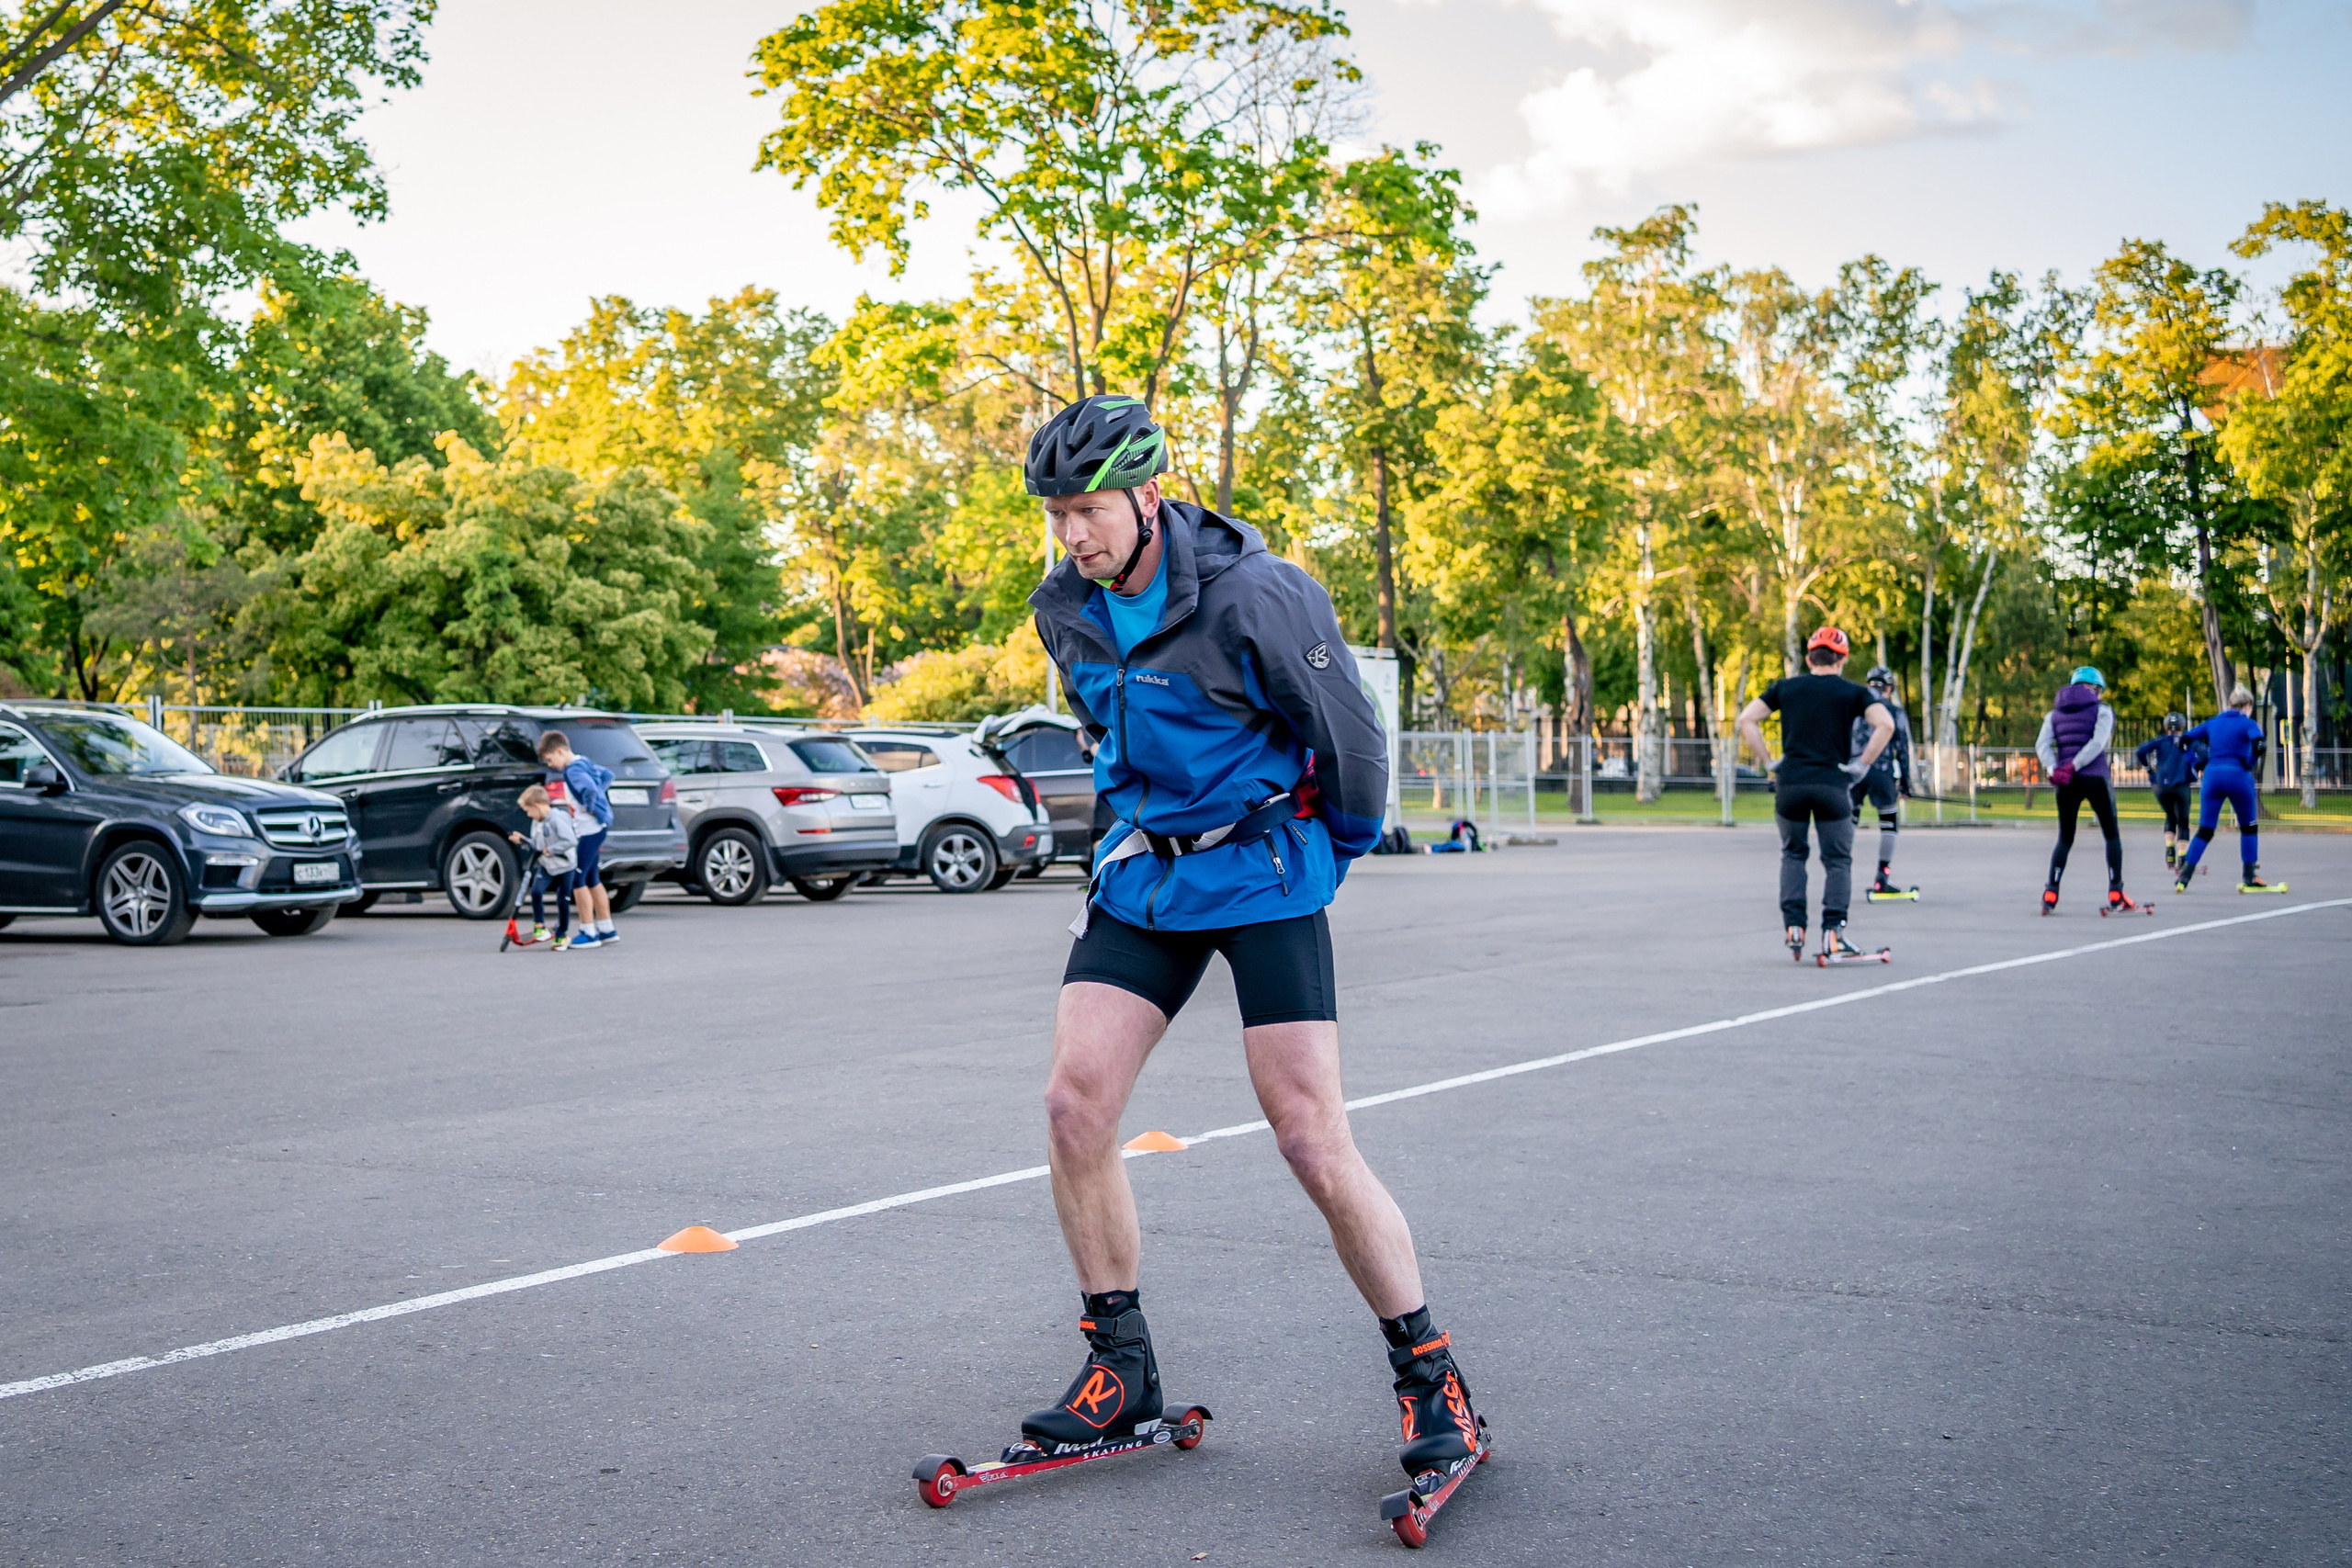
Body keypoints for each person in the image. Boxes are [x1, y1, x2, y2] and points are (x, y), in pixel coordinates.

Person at [1021, 395, 1481, 1484]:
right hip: (1147, 877)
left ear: (1147, 496)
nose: (1072, 535)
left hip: (1266, 871)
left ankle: (1434, 1380)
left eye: (1087, 510)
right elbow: (1107, 729)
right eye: (1056, 515)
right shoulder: (1064, 607)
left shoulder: (1259, 595)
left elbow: (1351, 736)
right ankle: (1118, 1367)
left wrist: (1341, 847)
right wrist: (1118, 835)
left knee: (1309, 1137)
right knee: (1071, 1105)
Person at [1736, 626, 1895, 960]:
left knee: (1793, 853)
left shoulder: (1786, 688)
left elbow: (1747, 719)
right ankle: (1833, 933)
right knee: (1837, 859)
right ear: (1842, 659)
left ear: (1809, 657)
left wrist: (1769, 762)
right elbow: (1886, 724)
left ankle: (1794, 927)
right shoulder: (1852, 693)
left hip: (1790, 785)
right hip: (1832, 785)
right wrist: (1862, 764)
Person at [2034, 667, 2139, 913]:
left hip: (2066, 782)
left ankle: (2051, 892)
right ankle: (2116, 891)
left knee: (2065, 837)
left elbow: (2042, 744)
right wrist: (2076, 765)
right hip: (2094, 777)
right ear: (2095, 688)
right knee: (2111, 835)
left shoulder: (2053, 714)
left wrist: (2054, 768)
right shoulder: (2102, 711)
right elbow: (2098, 743)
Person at [2177, 685, 2277, 892]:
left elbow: (2185, 740)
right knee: (2248, 826)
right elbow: (2259, 746)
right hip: (2238, 775)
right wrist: (2249, 762)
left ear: (2229, 704)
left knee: (2206, 829)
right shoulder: (2248, 723)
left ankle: (2185, 875)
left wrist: (2197, 763)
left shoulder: (2213, 722)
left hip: (2212, 776)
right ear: (2248, 706)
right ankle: (2249, 875)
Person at [536, 730, 616, 947]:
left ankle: (588, 932)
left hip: (589, 829)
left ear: (560, 751)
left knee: (577, 880)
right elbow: (607, 776)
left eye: (551, 760)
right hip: (598, 828)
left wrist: (590, 807)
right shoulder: (584, 762)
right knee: (592, 878)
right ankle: (607, 928)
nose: (551, 765)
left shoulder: (572, 770)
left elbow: (589, 788)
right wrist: (599, 801)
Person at [1850, 666, 1916, 898]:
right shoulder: (1894, 712)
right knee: (1889, 822)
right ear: (1889, 688)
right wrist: (1906, 784)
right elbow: (1903, 750)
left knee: (1848, 822)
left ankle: (1840, 874)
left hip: (1853, 770)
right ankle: (1882, 876)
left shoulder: (1854, 710)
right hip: (1882, 770)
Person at [507, 784, 581, 949]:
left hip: (565, 865)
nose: (527, 814)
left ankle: (562, 934)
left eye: (528, 810)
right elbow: (538, 845)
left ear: (536, 806)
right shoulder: (537, 821)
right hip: (547, 865)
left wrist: (552, 850)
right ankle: (539, 926)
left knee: (563, 900)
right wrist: (524, 841)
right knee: (536, 891)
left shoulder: (557, 819)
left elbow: (570, 840)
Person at [2133, 713, 2202, 873]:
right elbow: (2201, 758)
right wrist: (2196, 771)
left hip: (2160, 787)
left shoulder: (2160, 741)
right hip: (2181, 786)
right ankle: (2183, 861)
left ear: (2165, 727)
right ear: (2182, 727)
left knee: (2170, 816)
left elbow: (2140, 751)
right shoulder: (2187, 742)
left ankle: (2169, 851)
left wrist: (2149, 770)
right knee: (2183, 822)